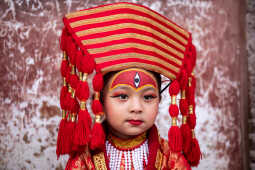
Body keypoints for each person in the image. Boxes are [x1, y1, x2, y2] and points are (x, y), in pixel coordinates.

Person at [56, 2, 201, 170]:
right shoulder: (84, 160)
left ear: (160, 100)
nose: (137, 108)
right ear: (100, 101)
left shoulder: (171, 158)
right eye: (123, 96)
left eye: (148, 97)